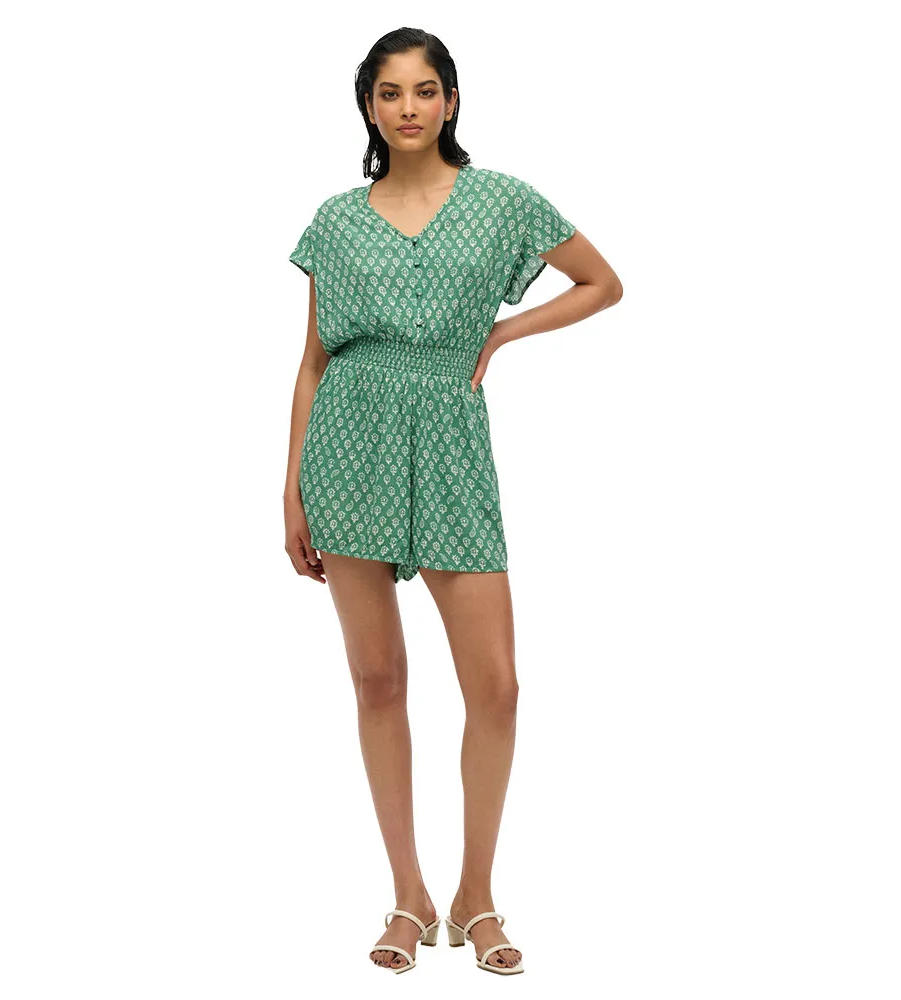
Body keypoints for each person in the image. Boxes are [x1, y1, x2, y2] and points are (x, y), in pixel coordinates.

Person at [283, 28, 623, 975]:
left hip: (451, 440)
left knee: (497, 686)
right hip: (347, 444)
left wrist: (505, 333)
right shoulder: (335, 220)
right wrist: (291, 489)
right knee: (378, 680)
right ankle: (409, 896)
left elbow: (603, 283)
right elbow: (312, 362)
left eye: (425, 90)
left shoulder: (501, 200)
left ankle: (476, 897)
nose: (408, 108)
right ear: (369, 106)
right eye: (390, 92)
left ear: (451, 100)